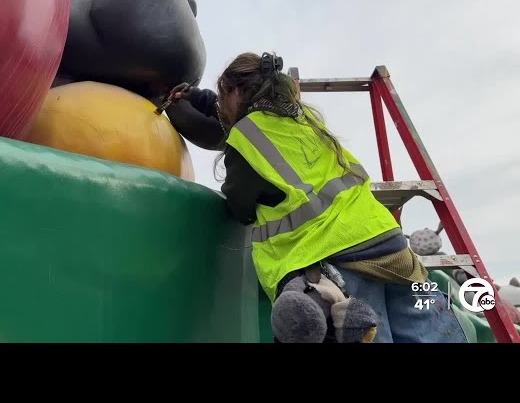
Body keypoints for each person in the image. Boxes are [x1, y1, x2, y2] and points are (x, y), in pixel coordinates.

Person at [169, 51, 467, 343]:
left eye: (223, 97)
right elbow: (229, 115)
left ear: (235, 91)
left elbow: (240, 205)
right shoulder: (303, 117)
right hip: (386, 241)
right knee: (428, 332)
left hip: (336, 256)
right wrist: (197, 98)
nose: (221, 105)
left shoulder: (246, 136)